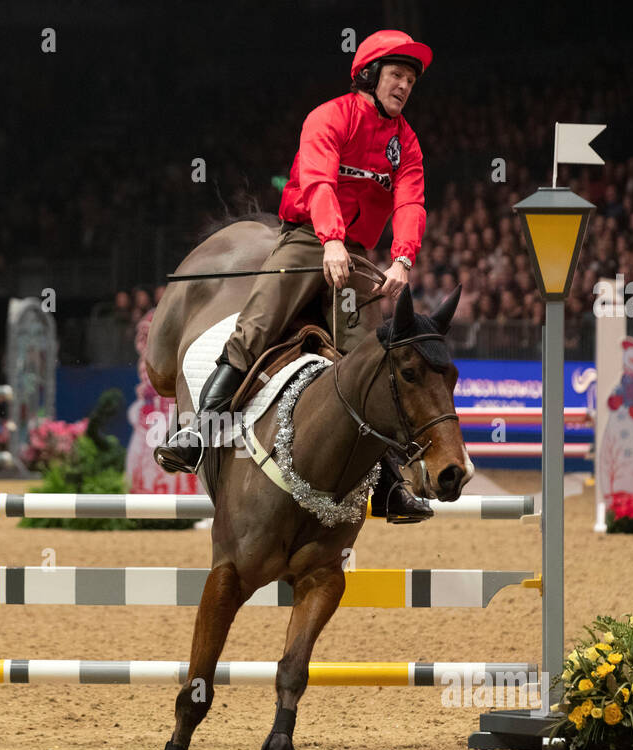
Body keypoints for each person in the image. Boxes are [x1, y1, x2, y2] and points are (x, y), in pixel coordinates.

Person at [156, 28, 435, 522]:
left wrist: (403, 258)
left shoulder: (405, 141)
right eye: (396, 75)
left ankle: (389, 483)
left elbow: (410, 199)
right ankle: (199, 432)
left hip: (356, 253)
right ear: (369, 76)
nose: (404, 86)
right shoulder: (328, 117)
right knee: (259, 324)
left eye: (410, 79)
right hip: (308, 239)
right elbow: (319, 181)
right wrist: (328, 239)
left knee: (364, 357)